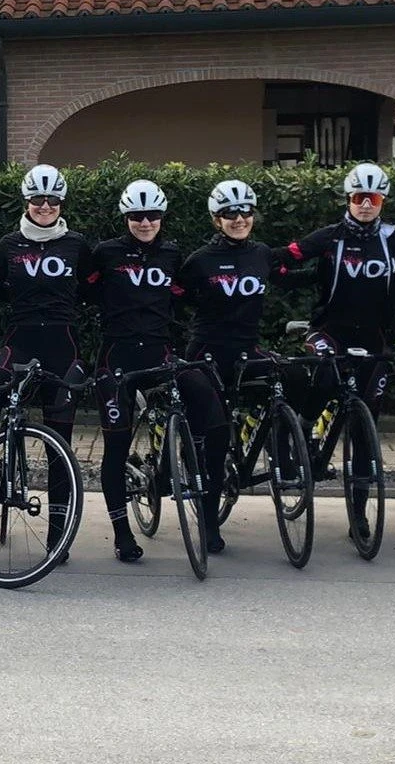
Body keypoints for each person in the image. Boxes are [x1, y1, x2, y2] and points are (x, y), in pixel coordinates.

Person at [283, 162, 395, 541]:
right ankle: (303, 431)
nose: (365, 205)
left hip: (375, 338)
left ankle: (358, 515)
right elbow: (286, 256)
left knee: (365, 429)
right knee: (325, 377)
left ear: (382, 201)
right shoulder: (330, 237)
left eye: (373, 199)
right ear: (348, 199)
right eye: (359, 197)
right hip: (330, 331)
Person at [88, 180, 224, 560]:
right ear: (126, 217)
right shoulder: (105, 253)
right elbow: (83, 289)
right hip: (116, 358)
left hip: (160, 353)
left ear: (162, 217)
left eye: (152, 216)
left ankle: (205, 508)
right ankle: (122, 535)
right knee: (116, 445)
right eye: (137, 216)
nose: (145, 222)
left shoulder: (172, 255)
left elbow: (188, 294)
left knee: (209, 404)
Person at [176, 179, 299, 552]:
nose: (239, 218)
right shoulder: (200, 261)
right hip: (207, 353)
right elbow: (173, 301)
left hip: (247, 350)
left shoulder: (261, 254)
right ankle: (209, 522)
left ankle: (285, 455)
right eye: (230, 213)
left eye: (245, 211)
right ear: (217, 219)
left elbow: (291, 279)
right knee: (215, 438)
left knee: (293, 377)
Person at [0, 164, 92, 553]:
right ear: (26, 201)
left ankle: (57, 535)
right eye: (38, 199)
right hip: (20, 339)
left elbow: (93, 285)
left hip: (62, 344)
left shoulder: (76, 245)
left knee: (60, 444)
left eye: (52, 200)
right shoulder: (9, 245)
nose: (45, 206)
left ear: (61, 203)